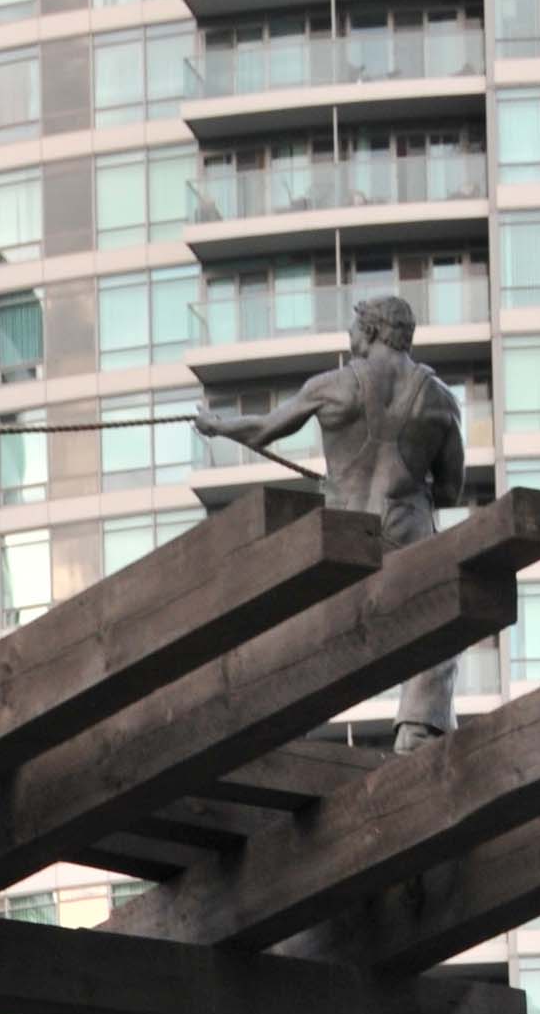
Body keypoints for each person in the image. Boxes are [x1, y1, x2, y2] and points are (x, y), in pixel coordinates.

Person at [197, 289, 473, 743]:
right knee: (443, 613)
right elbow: (450, 488)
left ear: (370, 330)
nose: (349, 334)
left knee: (303, 625)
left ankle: (264, 719)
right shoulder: (440, 399)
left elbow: (264, 429)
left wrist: (217, 425)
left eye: (353, 325)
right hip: (407, 534)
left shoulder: (334, 386)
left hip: (346, 534)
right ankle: (419, 728)